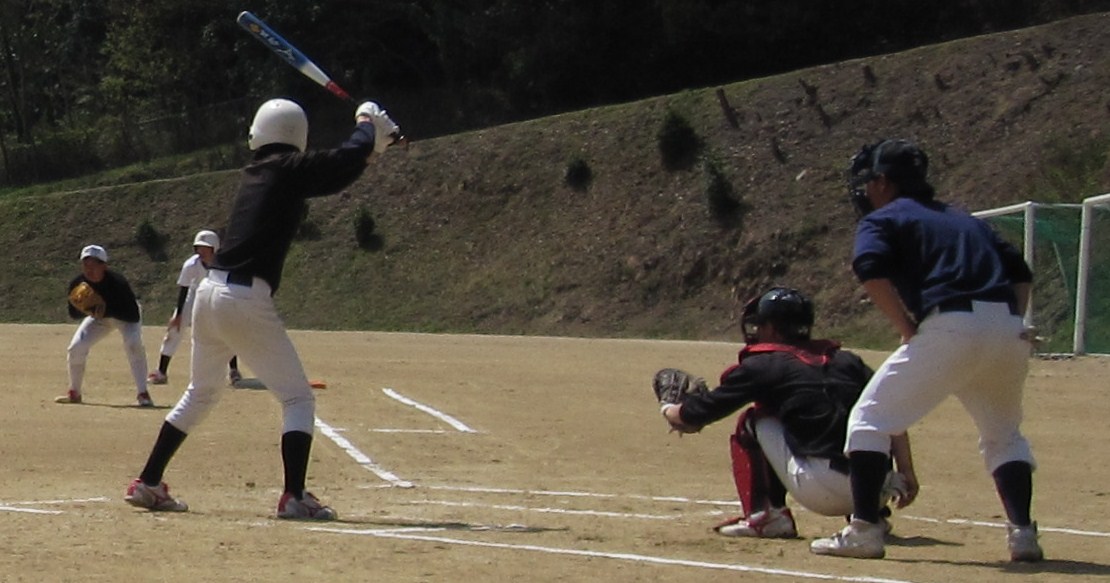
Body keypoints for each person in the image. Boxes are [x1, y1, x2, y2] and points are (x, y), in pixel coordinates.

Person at [124, 98, 401, 517]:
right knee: (298, 398)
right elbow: (340, 163)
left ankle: (147, 482)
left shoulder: (261, 170)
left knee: (201, 392)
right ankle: (295, 496)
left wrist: (372, 146)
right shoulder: (285, 169)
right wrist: (366, 122)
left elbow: (339, 171)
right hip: (244, 298)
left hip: (210, 295)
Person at [809, 139, 1042, 562]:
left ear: (884, 182)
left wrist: (905, 327)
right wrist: (1013, 322)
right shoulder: (964, 218)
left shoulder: (883, 218)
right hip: (1007, 329)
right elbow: (1019, 271)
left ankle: (863, 531)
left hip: (951, 325)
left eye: (869, 181)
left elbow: (869, 268)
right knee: (1004, 435)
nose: (865, 190)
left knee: (869, 420)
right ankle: (1023, 535)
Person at [661, 287, 918, 539]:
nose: (756, 331)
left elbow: (693, 415)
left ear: (772, 329)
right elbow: (889, 415)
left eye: (761, 325)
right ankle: (870, 516)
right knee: (865, 415)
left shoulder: (764, 365)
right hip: (879, 488)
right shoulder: (847, 361)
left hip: (825, 489)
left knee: (753, 420)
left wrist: (668, 407)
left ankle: (767, 516)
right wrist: (907, 471)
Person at [57, 245, 154, 407]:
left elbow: (133, 315)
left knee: (133, 344)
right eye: (86, 264)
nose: (89, 269)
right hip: (99, 319)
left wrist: (105, 309)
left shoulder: (117, 282)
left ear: (104, 266)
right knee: (76, 347)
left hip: (125, 317)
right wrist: (86, 309)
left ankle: (143, 393)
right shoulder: (78, 283)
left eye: (94, 265)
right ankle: (74, 392)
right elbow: (73, 314)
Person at [147, 230, 241, 386]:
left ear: (215, 248)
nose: (201, 251)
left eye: (205, 248)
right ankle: (161, 372)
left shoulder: (223, 264)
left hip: (216, 296)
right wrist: (179, 315)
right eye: (198, 247)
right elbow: (184, 288)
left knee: (226, 330)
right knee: (174, 330)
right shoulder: (191, 264)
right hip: (195, 295)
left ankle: (233, 370)